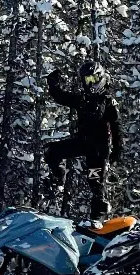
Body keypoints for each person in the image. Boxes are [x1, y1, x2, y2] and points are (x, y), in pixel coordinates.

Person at [44, 61, 122, 220]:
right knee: (51, 151)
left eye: (93, 79)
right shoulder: (83, 99)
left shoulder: (108, 101)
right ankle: (58, 180)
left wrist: (118, 149)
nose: (91, 84)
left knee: (96, 184)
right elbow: (62, 97)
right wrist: (53, 84)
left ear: (100, 77)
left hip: (99, 150)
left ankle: (99, 219)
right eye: (87, 80)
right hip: (83, 143)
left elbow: (117, 127)